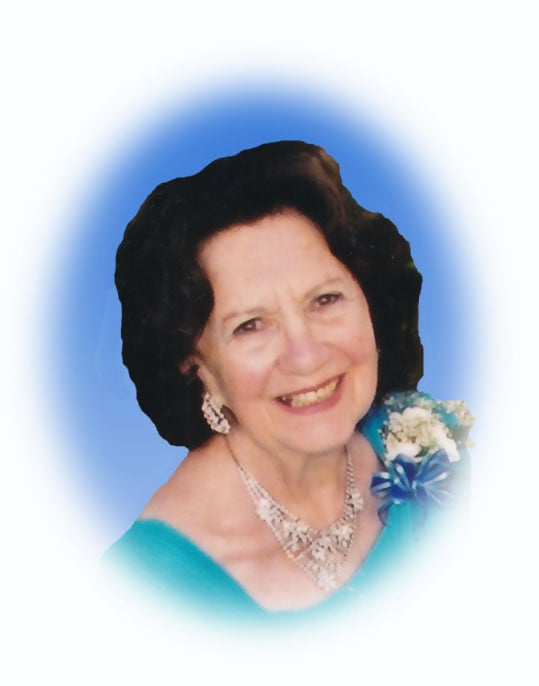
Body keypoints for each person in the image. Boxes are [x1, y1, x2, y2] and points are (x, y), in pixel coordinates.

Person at [102, 140, 473, 622]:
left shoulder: (437, 445)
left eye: (325, 300)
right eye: (250, 326)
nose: (306, 354)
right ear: (196, 366)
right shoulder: (145, 591)